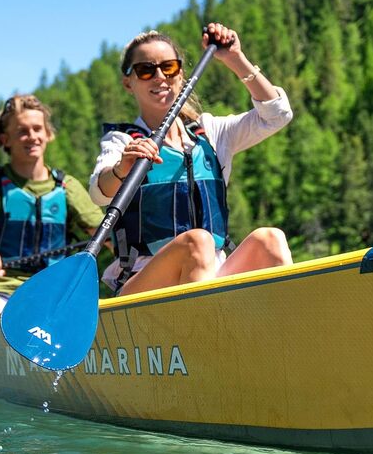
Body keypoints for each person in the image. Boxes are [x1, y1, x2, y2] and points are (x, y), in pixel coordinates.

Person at [89, 22, 294, 296]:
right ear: (129, 82)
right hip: (142, 286)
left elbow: (278, 115)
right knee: (196, 242)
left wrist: (235, 59)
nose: (159, 76)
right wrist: (122, 168)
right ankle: (203, 333)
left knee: (271, 238)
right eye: (145, 70)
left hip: (212, 277)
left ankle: (289, 332)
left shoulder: (210, 132)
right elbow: (99, 193)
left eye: (168, 67)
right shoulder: (122, 141)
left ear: (181, 74)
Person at [0, 94, 104, 313]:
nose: (32, 136)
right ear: (5, 140)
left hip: (56, 294)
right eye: (22, 131)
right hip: (1, 293)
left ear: (48, 133)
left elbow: (109, 239)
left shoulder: (68, 187)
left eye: (37, 129)